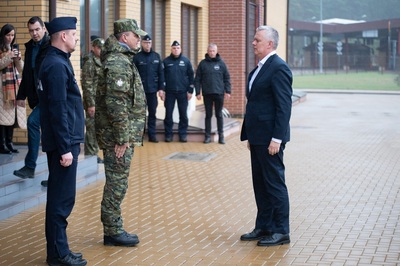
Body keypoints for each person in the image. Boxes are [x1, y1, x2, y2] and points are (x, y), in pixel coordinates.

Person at [37, 17, 87, 266]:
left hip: (63, 142)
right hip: (62, 145)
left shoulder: (58, 62)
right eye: (74, 35)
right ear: (64, 36)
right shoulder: (56, 65)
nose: (77, 38)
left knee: (62, 198)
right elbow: (58, 110)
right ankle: (58, 255)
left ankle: (60, 249)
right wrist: (66, 148)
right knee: (61, 200)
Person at [95, 18, 147, 247]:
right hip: (117, 137)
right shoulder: (118, 62)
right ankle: (112, 230)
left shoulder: (123, 58)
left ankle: (113, 227)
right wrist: (122, 138)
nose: (140, 39)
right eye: (136, 35)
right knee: (117, 183)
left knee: (118, 182)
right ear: (124, 37)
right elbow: (117, 104)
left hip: (118, 135)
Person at [240, 25, 292, 247]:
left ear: (269, 44)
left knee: (275, 184)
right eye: (254, 39)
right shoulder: (259, 68)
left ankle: (281, 230)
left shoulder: (278, 68)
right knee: (260, 184)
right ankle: (264, 226)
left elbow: (284, 107)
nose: (253, 43)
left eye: (257, 40)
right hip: (258, 137)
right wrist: (251, 136)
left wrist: (277, 139)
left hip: (271, 139)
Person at [14, 16, 50, 179]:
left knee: (33, 123)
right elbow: (27, 73)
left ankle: (30, 167)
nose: (34, 33)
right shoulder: (30, 47)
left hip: (51, 97)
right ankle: (36, 169)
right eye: (31, 30)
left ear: (43, 28)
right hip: (38, 97)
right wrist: (21, 96)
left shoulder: (50, 45)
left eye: (37, 29)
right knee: (45, 131)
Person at [195, 43, 231, 144]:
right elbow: (197, 79)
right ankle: (207, 136)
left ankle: (221, 136)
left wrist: (227, 91)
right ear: (207, 51)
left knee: (219, 115)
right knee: (208, 115)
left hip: (219, 93)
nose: (211, 53)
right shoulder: (203, 64)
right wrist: (198, 92)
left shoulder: (221, 64)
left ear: (216, 51)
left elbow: (227, 78)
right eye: (210, 51)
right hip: (207, 93)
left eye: (213, 51)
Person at [133, 34, 165, 143]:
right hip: (140, 92)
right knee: (139, 114)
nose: (148, 45)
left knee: (152, 114)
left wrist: (161, 89)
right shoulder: (137, 57)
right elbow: (133, 75)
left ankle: (152, 136)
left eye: (149, 43)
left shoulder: (156, 57)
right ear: (142, 43)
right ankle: (139, 136)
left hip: (152, 91)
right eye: (146, 43)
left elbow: (161, 74)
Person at [0, 23, 25, 154]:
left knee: (12, 116)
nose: (10, 38)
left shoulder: (13, 48)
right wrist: (9, 56)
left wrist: (18, 59)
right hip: (2, 89)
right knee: (3, 117)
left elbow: (21, 69)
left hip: (13, 86)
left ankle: (9, 142)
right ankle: (2, 144)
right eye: (8, 35)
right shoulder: (1, 49)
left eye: (13, 35)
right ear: (3, 35)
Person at [163, 41, 195, 143]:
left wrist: (190, 91)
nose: (176, 50)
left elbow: (191, 77)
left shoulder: (186, 61)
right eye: (174, 48)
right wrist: (162, 90)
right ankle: (168, 135)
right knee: (168, 115)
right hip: (169, 92)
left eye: (177, 48)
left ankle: (183, 135)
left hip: (183, 92)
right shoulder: (166, 62)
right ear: (171, 49)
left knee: (183, 115)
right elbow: (162, 77)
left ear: (180, 49)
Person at [81, 35, 104, 163]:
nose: (101, 50)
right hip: (93, 102)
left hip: (99, 100)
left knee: (96, 128)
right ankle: (90, 156)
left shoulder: (100, 60)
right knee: (91, 128)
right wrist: (91, 104)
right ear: (93, 47)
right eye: (99, 48)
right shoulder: (89, 62)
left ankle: (94, 153)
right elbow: (87, 84)